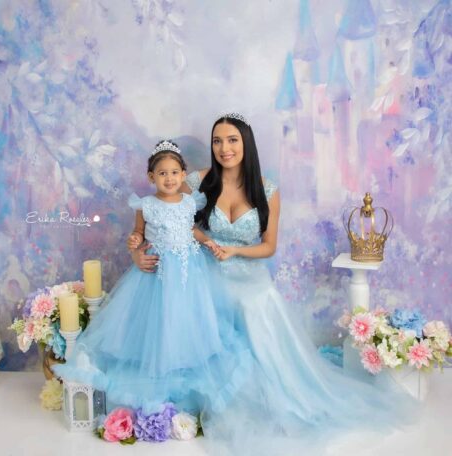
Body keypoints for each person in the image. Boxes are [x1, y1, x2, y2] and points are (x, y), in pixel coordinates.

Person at [132, 115, 416, 455]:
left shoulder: (267, 190)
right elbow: (162, 221)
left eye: (232, 140)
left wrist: (236, 250)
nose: (224, 148)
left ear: (246, 143)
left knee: (256, 308)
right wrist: (137, 253)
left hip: (249, 274)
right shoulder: (195, 182)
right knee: (207, 316)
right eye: (217, 141)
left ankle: (261, 398)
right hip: (206, 273)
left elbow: (268, 247)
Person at [54, 140, 251, 416]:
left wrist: (207, 241)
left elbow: (190, 229)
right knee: (160, 319)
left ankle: (184, 362)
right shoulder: (145, 205)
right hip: (157, 271)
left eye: (174, 172)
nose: (169, 178)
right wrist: (135, 241)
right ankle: (158, 369)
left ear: (183, 175)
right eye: (162, 173)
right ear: (151, 177)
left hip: (188, 270)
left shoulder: (188, 201)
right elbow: (138, 233)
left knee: (186, 316)